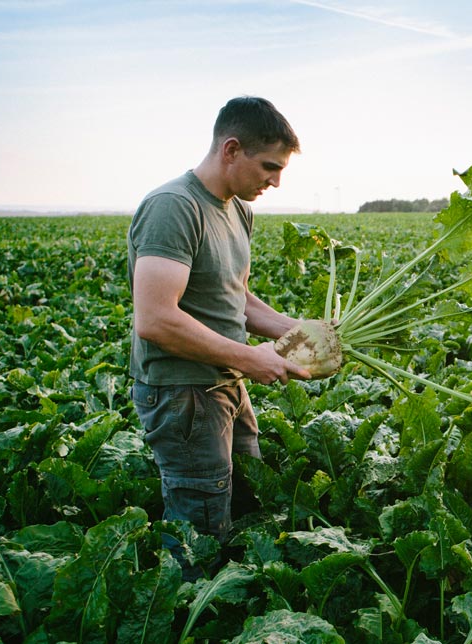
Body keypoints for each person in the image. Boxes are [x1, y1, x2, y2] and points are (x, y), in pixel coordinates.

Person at [127, 96, 313, 576]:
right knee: (199, 530)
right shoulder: (174, 207)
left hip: (226, 381)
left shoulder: (238, 210)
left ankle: (236, 605)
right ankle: (186, 609)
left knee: (248, 498)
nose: (275, 181)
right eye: (269, 167)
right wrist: (251, 359)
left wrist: (303, 334)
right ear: (231, 149)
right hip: (183, 392)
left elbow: (239, 300)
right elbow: (155, 319)